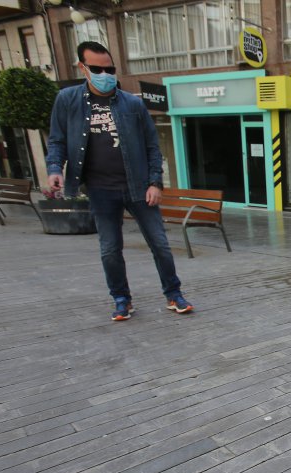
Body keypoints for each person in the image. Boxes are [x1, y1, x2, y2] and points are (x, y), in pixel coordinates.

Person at [46, 41, 193, 321]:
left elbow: (152, 146)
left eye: (110, 68)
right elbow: (57, 140)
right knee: (110, 248)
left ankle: (173, 294)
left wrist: (155, 183)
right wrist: (55, 168)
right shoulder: (67, 100)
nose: (105, 74)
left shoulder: (133, 104)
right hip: (100, 189)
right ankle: (121, 299)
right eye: (97, 69)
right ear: (82, 68)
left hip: (138, 186)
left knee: (160, 244)